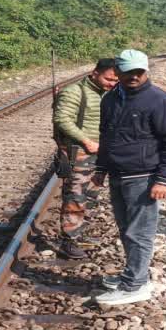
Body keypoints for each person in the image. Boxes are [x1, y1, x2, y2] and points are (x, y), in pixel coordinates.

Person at [91, 49, 166, 307]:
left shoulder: (160, 100)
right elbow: (106, 135)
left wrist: (164, 179)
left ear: (146, 71)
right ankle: (135, 275)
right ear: (118, 72)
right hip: (118, 173)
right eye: (128, 72)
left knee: (139, 233)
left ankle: (135, 286)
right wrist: (101, 168)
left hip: (143, 177)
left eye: (139, 72)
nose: (134, 76)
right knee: (126, 229)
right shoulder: (111, 99)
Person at [52, 58, 119, 259]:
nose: (112, 83)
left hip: (99, 153)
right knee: (76, 196)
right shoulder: (74, 92)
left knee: (90, 195)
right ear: (95, 73)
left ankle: (80, 233)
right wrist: (86, 141)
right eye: (108, 79)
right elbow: (62, 119)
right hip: (79, 151)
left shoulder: (106, 93)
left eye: (116, 80)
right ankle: (69, 241)